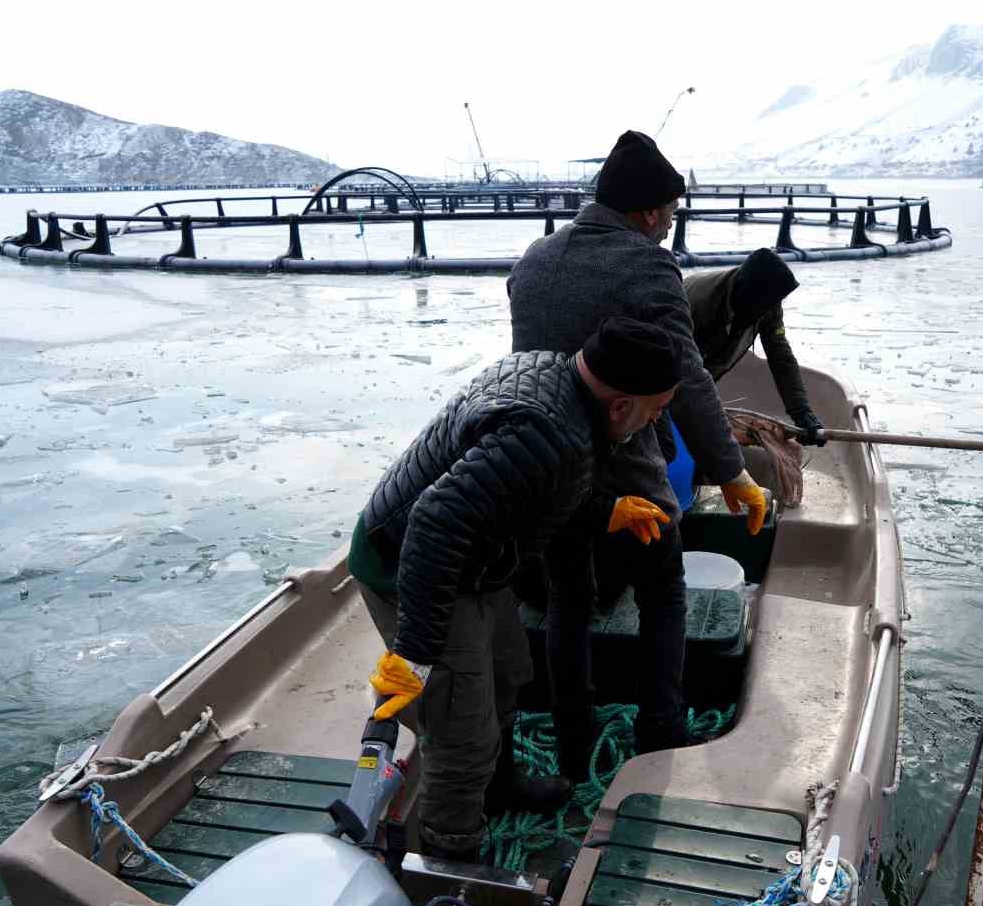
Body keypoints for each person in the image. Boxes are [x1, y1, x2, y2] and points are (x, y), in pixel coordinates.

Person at [346, 319, 682, 861]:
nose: (657, 420)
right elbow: (435, 521)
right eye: (656, 410)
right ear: (620, 406)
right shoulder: (552, 433)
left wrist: (604, 511)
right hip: (411, 564)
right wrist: (415, 653)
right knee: (463, 733)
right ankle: (451, 858)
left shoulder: (555, 371)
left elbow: (516, 487)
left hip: (476, 560)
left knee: (509, 673)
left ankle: (499, 791)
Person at [508, 129, 767, 778]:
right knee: (663, 590)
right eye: (671, 215)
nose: (670, 228)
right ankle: (659, 733)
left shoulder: (534, 259)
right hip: (627, 476)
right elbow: (687, 380)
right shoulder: (650, 264)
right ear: (650, 211)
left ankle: (572, 744)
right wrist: (734, 475)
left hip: (548, 466)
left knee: (569, 598)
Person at [683, 247, 827, 444]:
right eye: (767, 303)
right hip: (665, 363)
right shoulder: (701, 304)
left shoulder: (768, 304)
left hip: (701, 370)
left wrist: (802, 412)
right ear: (747, 293)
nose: (771, 308)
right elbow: (689, 375)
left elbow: (781, 357)